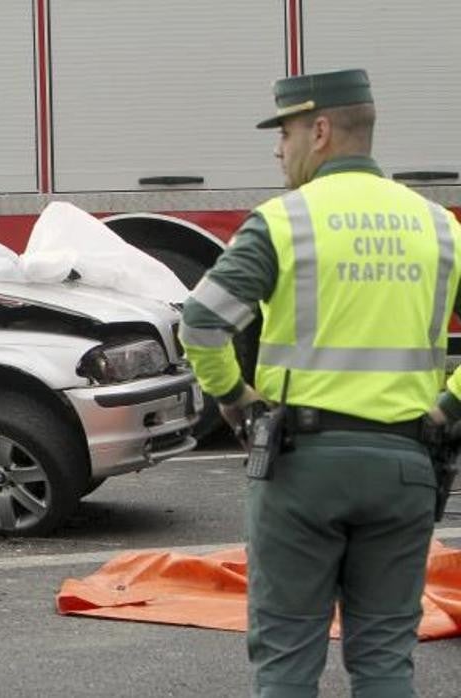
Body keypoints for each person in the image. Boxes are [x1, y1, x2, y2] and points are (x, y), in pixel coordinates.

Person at [178, 68, 461, 697]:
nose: (279, 150)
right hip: (405, 468)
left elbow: (200, 324)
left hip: (300, 469)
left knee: (286, 661)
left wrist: (235, 400)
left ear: (321, 130)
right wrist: (449, 406)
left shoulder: (283, 222)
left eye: (285, 133)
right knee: (385, 660)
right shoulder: (440, 226)